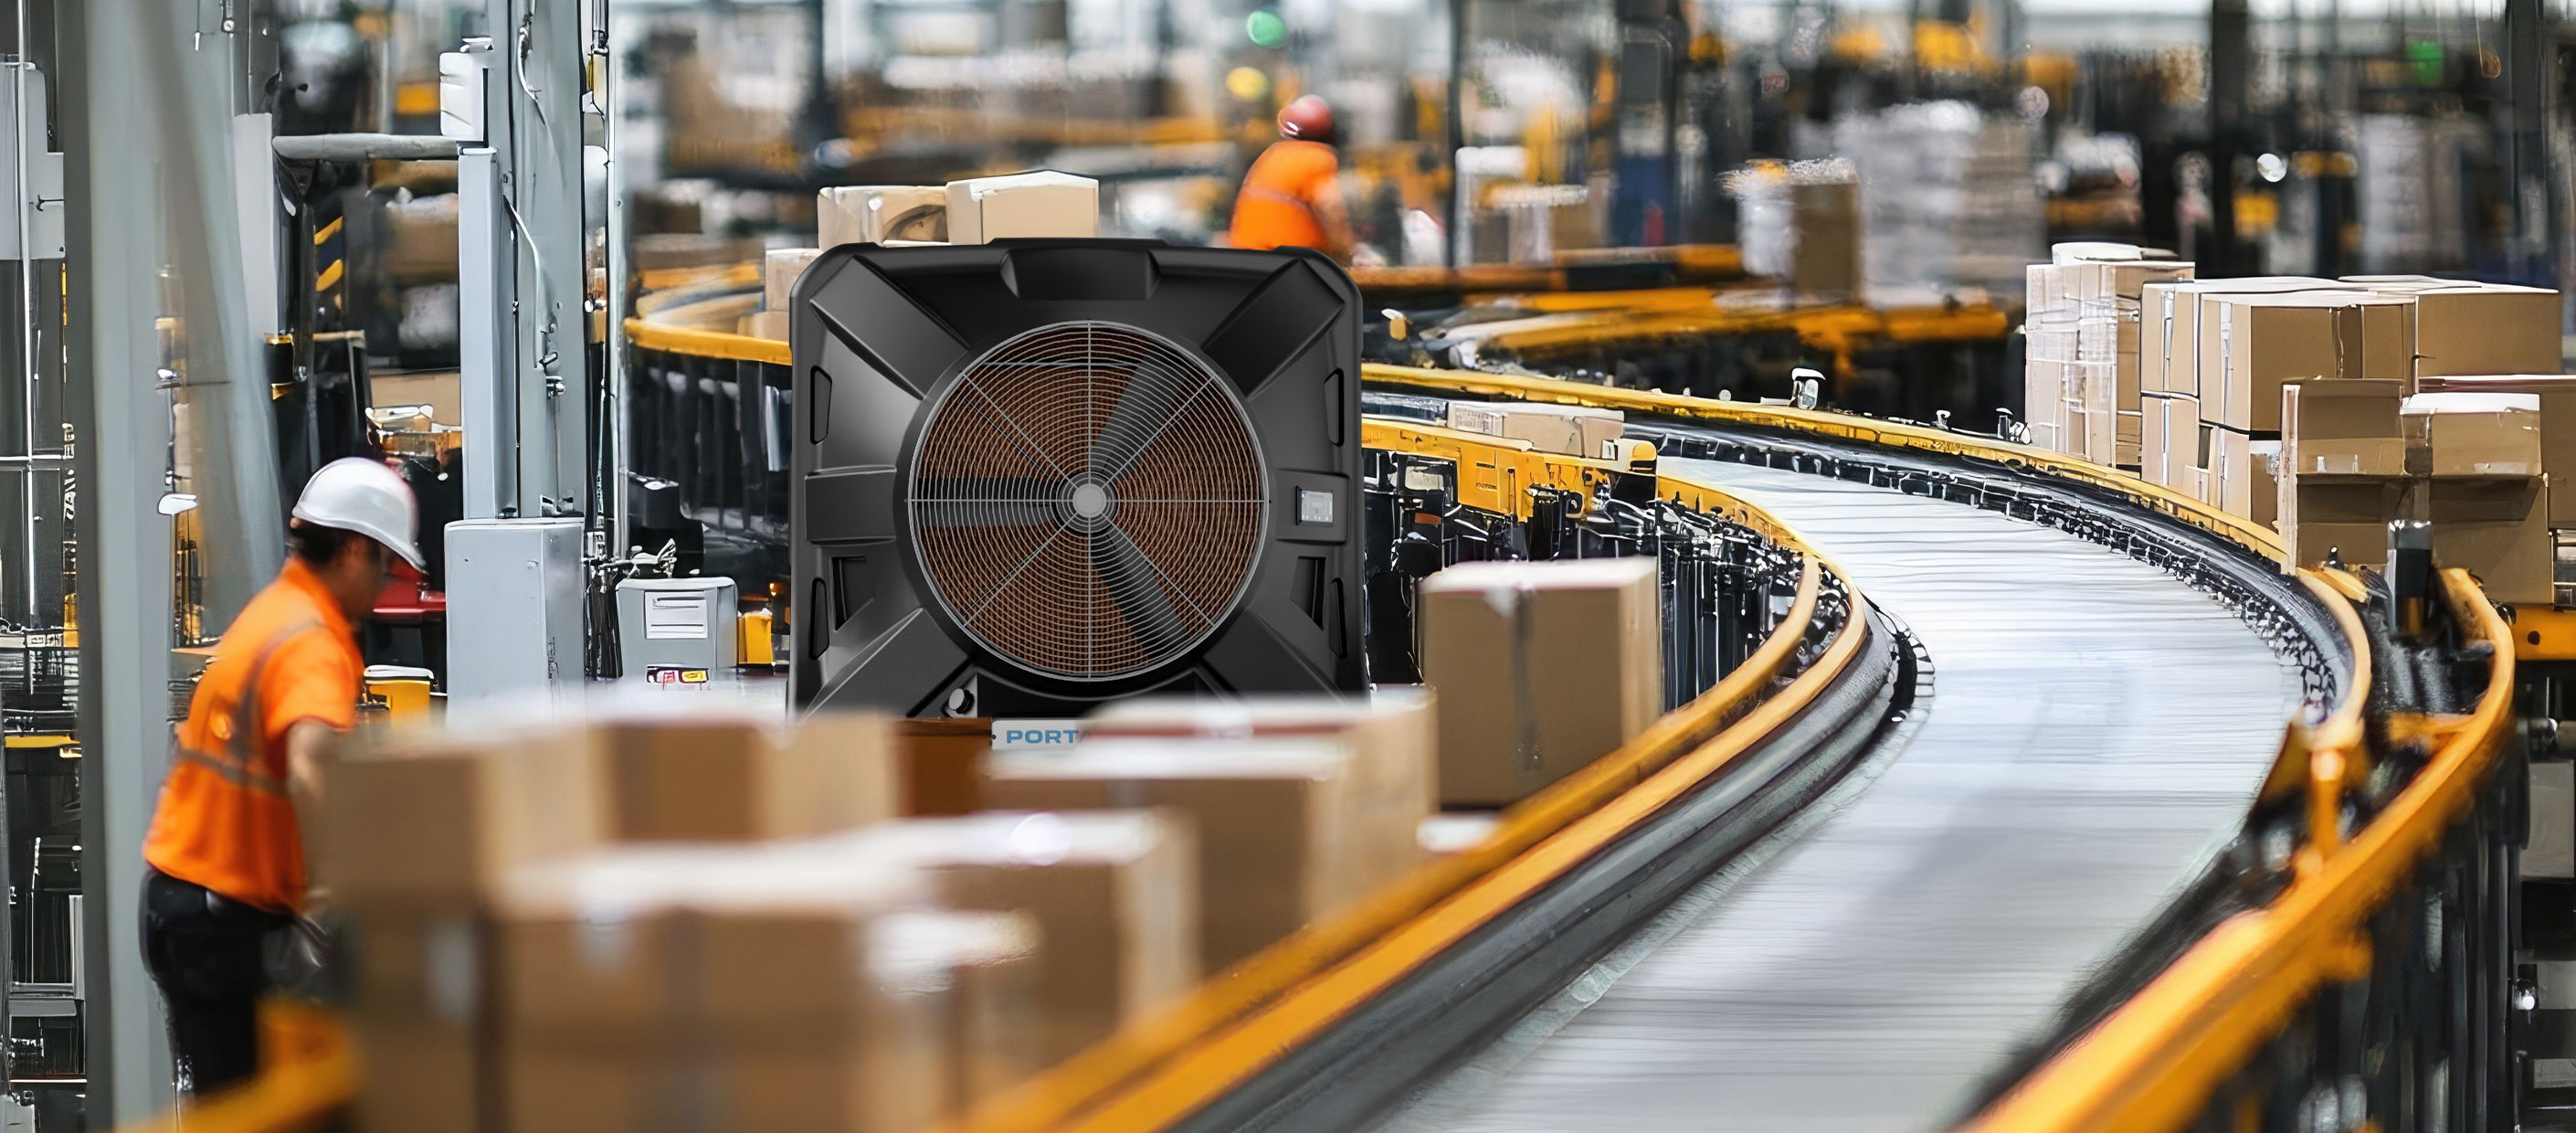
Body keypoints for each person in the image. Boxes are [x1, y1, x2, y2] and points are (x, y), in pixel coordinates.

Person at [139, 457, 424, 1096]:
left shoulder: (277, 611)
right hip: (217, 915)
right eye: (384, 564)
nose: (385, 585)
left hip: (195, 903)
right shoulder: (311, 640)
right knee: (267, 1102)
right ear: (353, 550)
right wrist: (334, 895)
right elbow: (311, 764)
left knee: (249, 1097)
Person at [1229, 94, 1357, 262]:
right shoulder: (1318, 158)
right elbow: (1331, 209)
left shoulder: (1271, 155)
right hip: (1290, 263)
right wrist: (1347, 254)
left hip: (1244, 259)